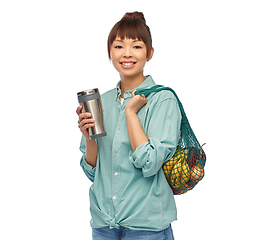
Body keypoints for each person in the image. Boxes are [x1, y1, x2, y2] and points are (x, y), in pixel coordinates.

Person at [76, 12, 181, 240]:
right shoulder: (101, 101)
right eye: (118, 46)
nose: (126, 54)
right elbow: (93, 171)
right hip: (104, 224)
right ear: (109, 52)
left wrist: (131, 113)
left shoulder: (162, 100)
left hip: (147, 226)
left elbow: (150, 163)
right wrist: (88, 137)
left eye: (136, 46)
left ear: (149, 53)